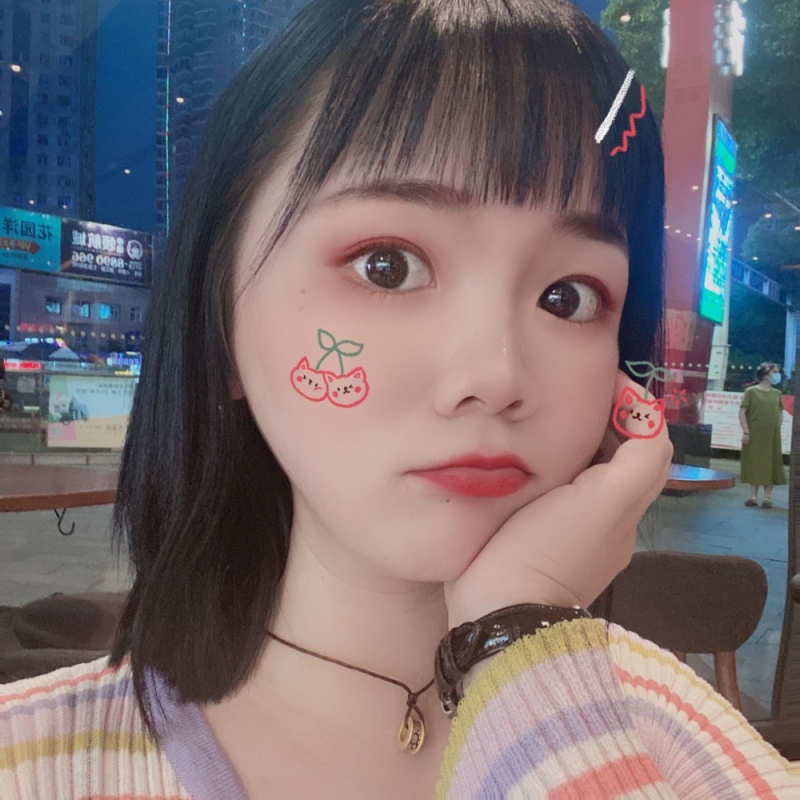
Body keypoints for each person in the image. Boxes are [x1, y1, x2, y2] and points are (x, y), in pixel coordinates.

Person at [1, 1, 797, 797]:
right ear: (220, 327)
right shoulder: (32, 762)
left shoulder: (677, 734)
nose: (497, 374)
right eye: (387, 265)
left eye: (568, 296)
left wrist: (519, 636)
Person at [740, 361, 787, 508]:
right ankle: (753, 496)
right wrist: (746, 431)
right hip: (754, 433)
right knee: (754, 462)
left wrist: (777, 426)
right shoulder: (751, 392)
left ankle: (767, 497)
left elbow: (780, 413)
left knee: (770, 463)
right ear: (765, 375)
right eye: (774, 372)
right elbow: (742, 412)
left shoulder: (777, 394)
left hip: (771, 435)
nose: (777, 375)